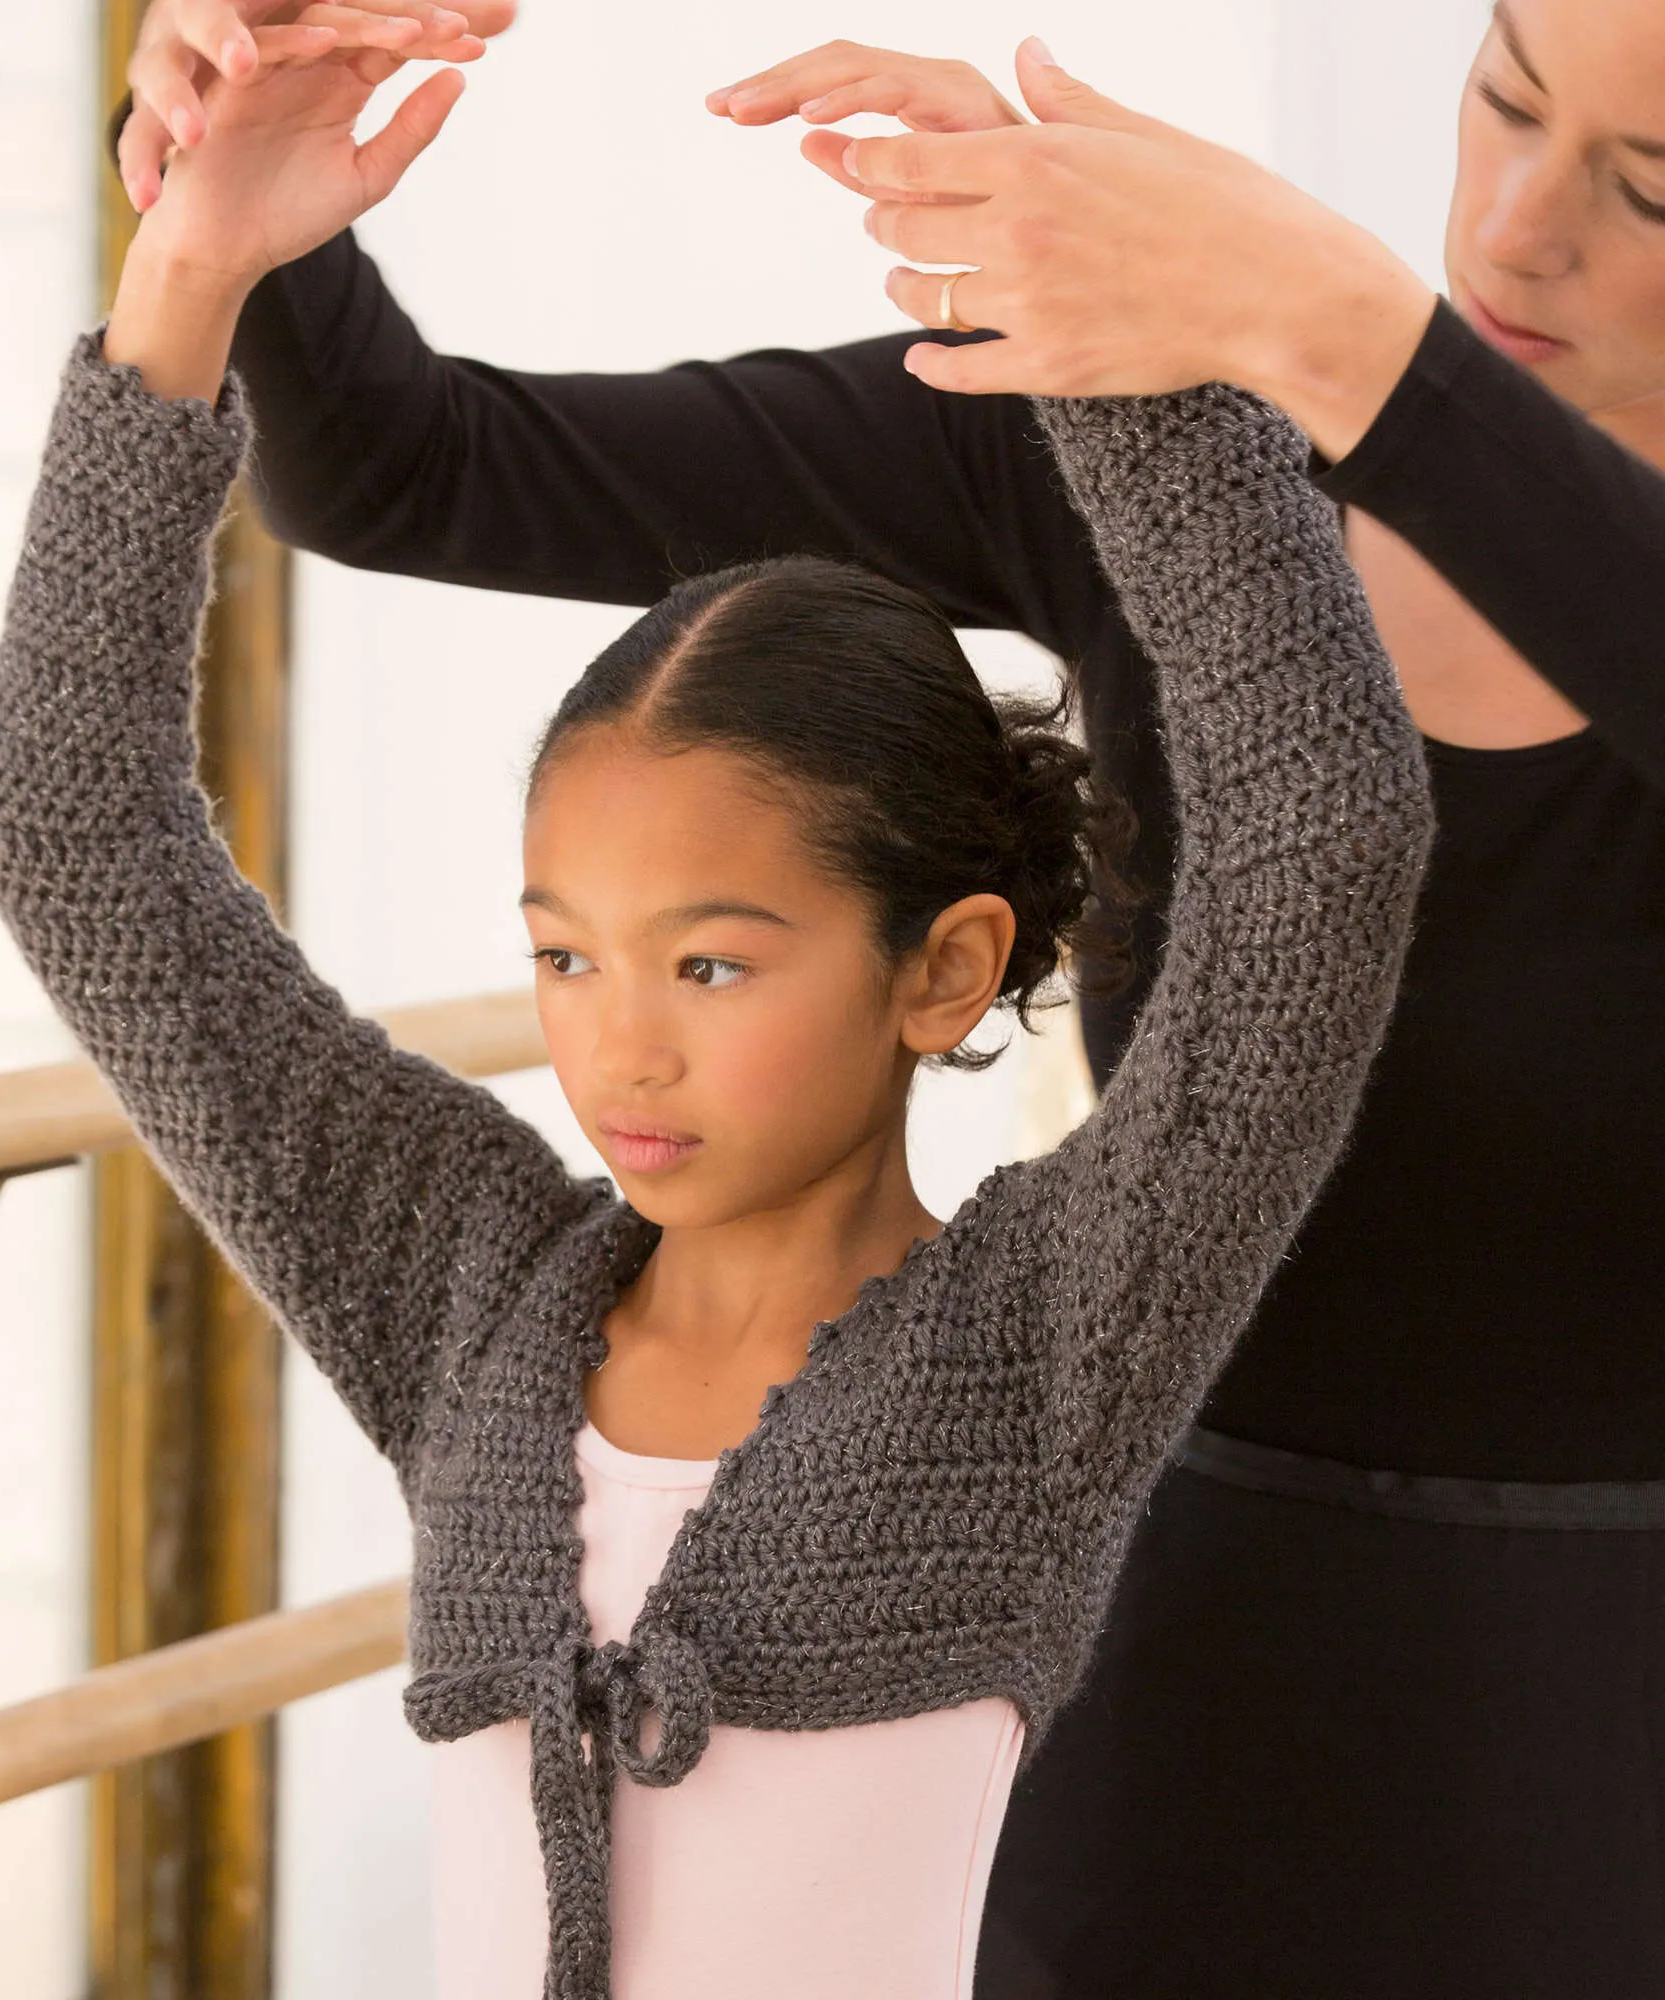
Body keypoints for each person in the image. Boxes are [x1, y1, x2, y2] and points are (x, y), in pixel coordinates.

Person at [110, 3, 1665, 1991]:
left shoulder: (1328, 378)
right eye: (1506, 101)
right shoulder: (1164, 443)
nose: (1523, 228)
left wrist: (1364, 346)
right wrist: (249, 178)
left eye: (1643, 187)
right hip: (1150, 1655)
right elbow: (409, 469)